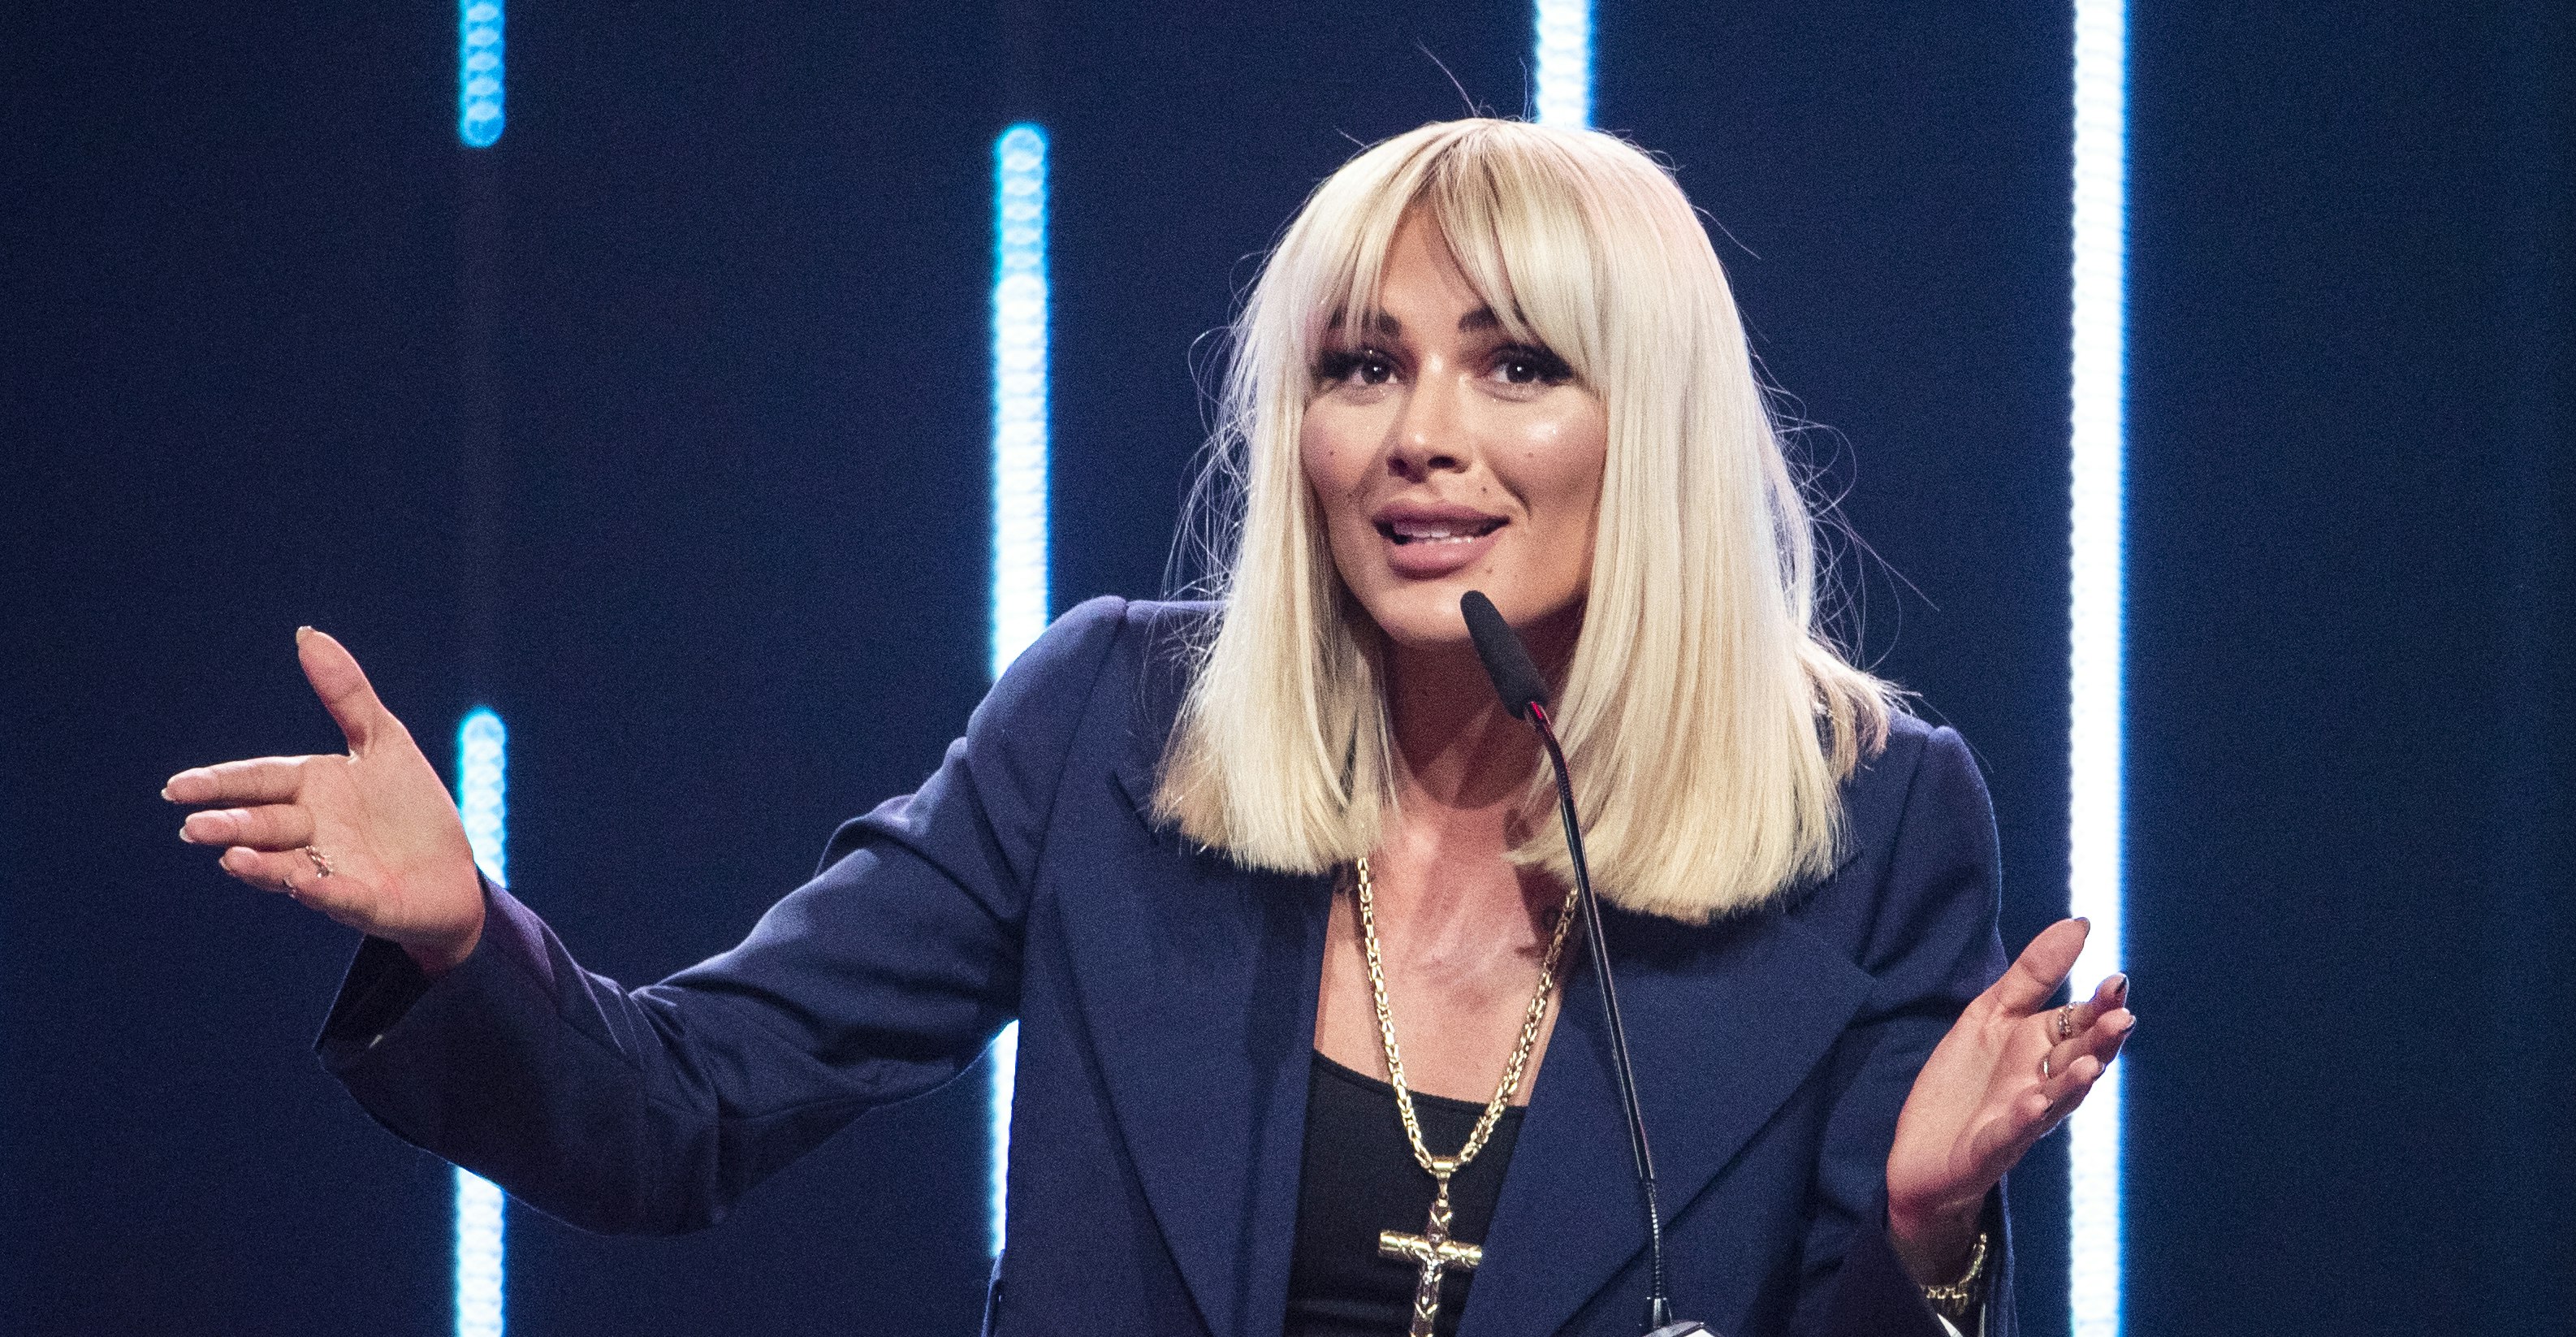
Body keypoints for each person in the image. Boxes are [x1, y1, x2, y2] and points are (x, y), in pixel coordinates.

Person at [164, 118, 2130, 1336]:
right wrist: (463, 942)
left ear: (1655, 429)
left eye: (1514, 365)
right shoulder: (1114, 727)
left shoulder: (1868, 819)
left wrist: (1923, 1233)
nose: (1419, 433)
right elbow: (685, 1108)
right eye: (1359, 365)